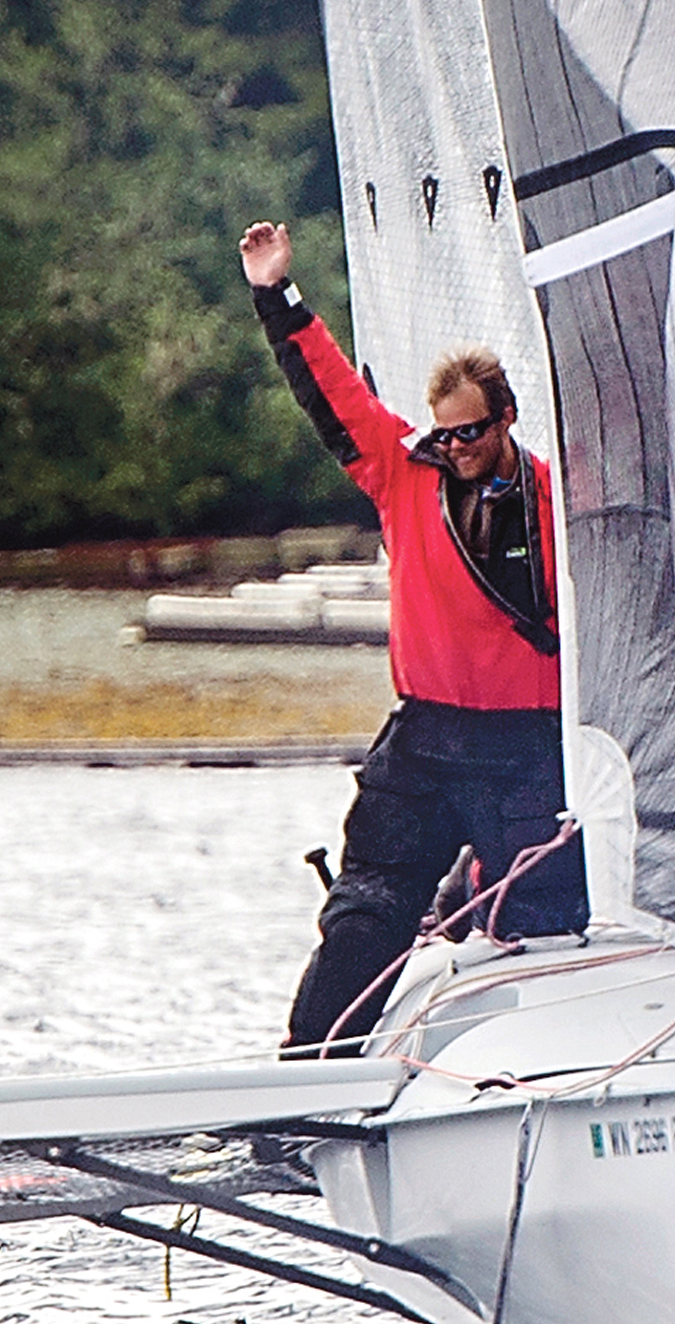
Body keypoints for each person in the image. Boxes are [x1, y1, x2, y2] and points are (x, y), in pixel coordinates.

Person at [241, 220, 581, 1053]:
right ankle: (307, 1077)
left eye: (471, 431)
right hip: (426, 739)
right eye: (446, 433)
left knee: (541, 920)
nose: (457, 447)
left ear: (505, 418)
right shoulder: (403, 469)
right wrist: (276, 294)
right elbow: (330, 395)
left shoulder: (560, 494)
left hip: (529, 748)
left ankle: (541, 1073)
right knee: (365, 915)